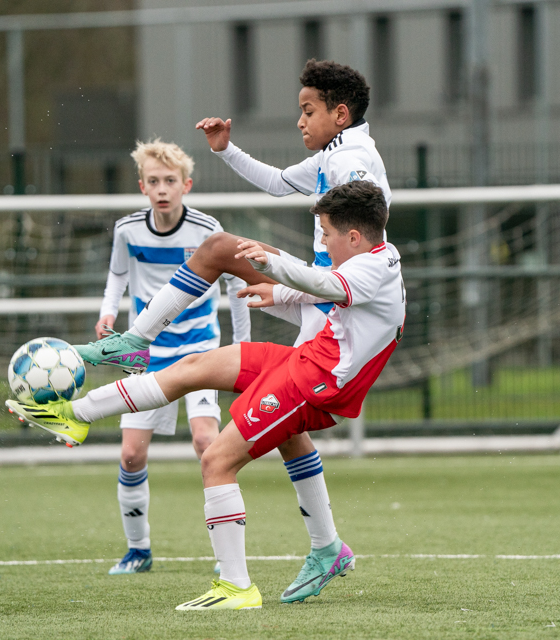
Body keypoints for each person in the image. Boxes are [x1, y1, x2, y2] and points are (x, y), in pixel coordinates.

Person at [71, 59, 389, 602]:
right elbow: (277, 184)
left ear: (339, 114)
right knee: (272, 419)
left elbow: (365, 227)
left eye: (307, 111)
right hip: (319, 307)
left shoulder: (353, 164)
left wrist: (280, 273)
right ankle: (326, 545)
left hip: (331, 304)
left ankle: (135, 340)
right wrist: (225, 150)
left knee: (216, 250)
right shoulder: (333, 153)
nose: (299, 121)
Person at [7, 181, 406, 610]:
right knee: (191, 368)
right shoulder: (377, 257)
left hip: (316, 384)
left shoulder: (370, 269)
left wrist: (271, 264)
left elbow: (328, 284)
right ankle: (76, 414)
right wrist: (280, 290)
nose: (322, 242)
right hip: (309, 359)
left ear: (352, 237)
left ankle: (237, 586)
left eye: (326, 233)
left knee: (216, 460)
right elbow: (327, 287)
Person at [95, 140, 250, 576]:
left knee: (207, 443)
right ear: (142, 186)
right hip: (146, 353)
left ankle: (227, 559)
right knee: (130, 455)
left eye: (170, 181)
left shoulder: (207, 229)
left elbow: (236, 288)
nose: (162, 189)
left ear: (187, 185)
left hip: (199, 348)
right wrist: (108, 311)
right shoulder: (127, 230)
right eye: (154, 181)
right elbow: (117, 275)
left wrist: (241, 346)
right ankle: (138, 550)